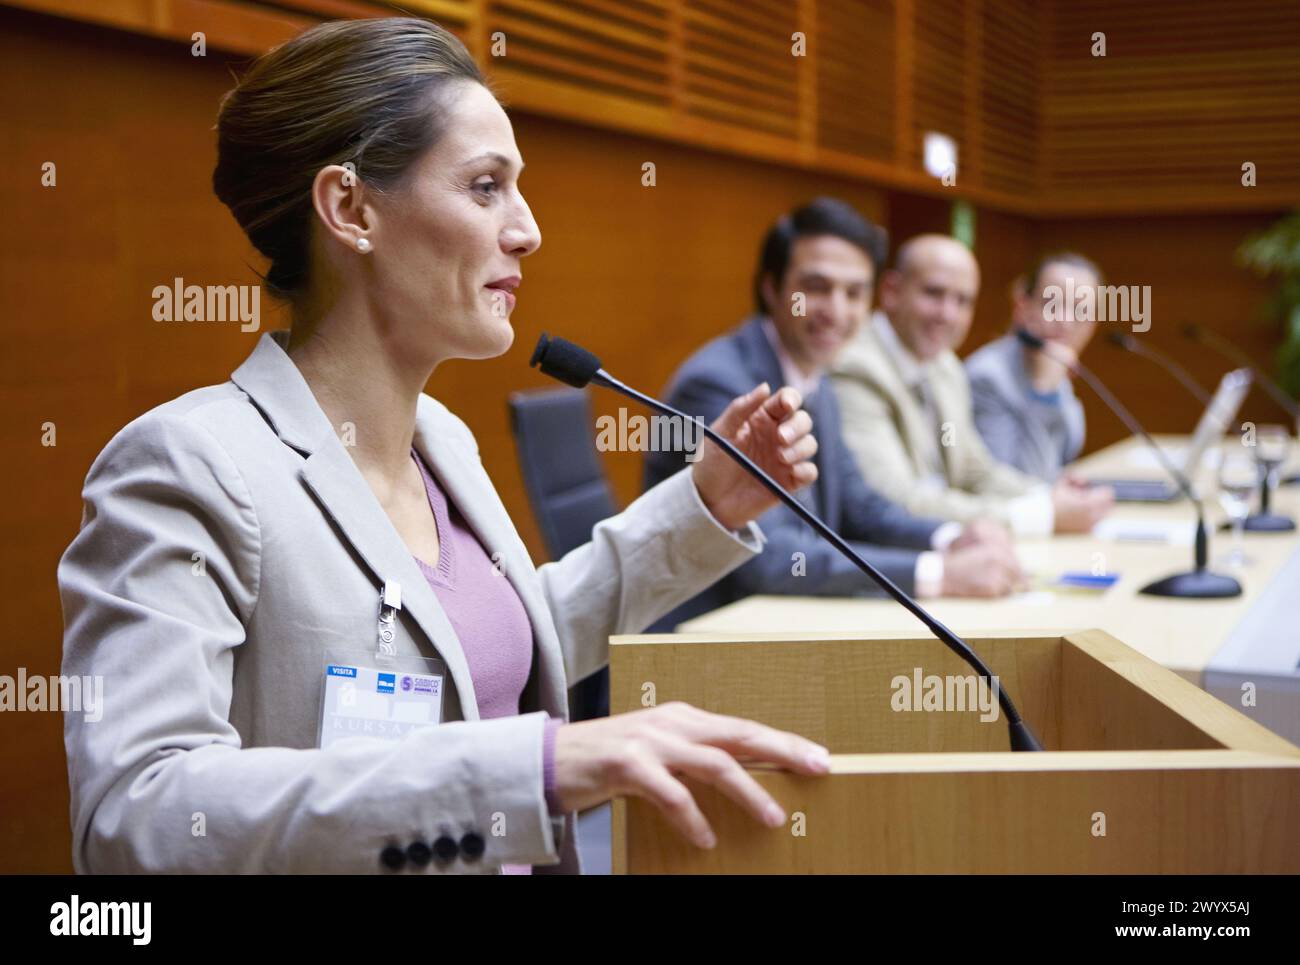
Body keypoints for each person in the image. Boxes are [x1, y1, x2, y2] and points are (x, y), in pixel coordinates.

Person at [56, 17, 831, 875]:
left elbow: (477, 660)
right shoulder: (188, 462)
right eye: (486, 187)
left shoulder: (444, 442)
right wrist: (528, 770)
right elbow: (136, 818)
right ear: (351, 209)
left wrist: (704, 505)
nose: (528, 230)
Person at [643, 199, 1023, 630]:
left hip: (785, 619)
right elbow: (770, 558)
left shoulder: (816, 377)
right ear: (772, 288)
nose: (837, 311)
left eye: (855, 293)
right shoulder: (721, 386)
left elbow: (860, 505)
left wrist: (952, 537)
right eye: (817, 288)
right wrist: (938, 574)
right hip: (702, 635)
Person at [830, 234, 1112, 536]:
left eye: (962, 301)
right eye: (933, 293)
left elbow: (973, 470)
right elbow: (896, 501)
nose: (947, 314)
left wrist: (1045, 495)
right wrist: (1039, 515)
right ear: (891, 291)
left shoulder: (945, 366)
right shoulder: (857, 367)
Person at [966, 253, 1100, 482]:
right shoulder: (987, 377)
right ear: (1022, 306)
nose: (1066, 322)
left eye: (1081, 310)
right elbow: (1022, 485)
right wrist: (1043, 393)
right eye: (1053, 304)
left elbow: (1058, 461)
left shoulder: (1053, 364)